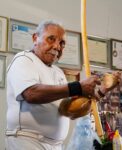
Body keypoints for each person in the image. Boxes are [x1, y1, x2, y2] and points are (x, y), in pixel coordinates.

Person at [5, 20, 107, 150]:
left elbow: (70, 110)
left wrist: (102, 91)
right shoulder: (23, 59)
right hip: (27, 141)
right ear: (35, 38)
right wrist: (77, 87)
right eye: (51, 39)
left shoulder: (58, 72)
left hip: (55, 145)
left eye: (61, 43)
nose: (57, 47)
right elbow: (31, 93)